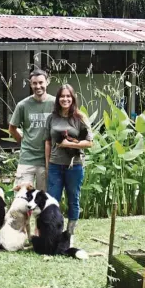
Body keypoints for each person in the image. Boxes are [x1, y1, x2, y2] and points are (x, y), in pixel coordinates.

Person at [44, 84, 93, 243]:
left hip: (74, 166)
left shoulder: (80, 118)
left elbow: (89, 143)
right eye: (62, 96)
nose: (65, 99)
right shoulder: (52, 118)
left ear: (73, 98)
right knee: (52, 200)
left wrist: (69, 145)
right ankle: (54, 234)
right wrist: (47, 164)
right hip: (55, 166)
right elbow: (48, 142)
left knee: (73, 200)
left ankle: (70, 235)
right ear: (58, 99)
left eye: (68, 96)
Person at [8, 69, 55, 191]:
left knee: (43, 198)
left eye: (41, 82)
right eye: (34, 83)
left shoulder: (55, 103)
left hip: (47, 159)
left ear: (47, 82)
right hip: (27, 158)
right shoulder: (23, 105)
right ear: (30, 84)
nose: (38, 86)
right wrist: (23, 141)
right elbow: (12, 128)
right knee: (21, 197)